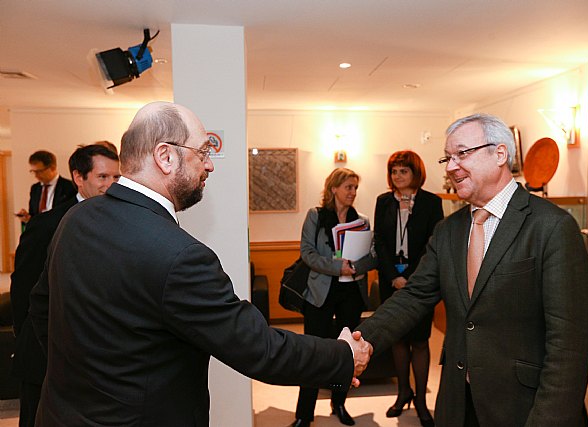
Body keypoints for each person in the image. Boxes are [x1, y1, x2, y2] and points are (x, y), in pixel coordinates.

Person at [29, 102, 372, 427]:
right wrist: (342, 356)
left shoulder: (77, 218)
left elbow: (42, 307)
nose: (210, 165)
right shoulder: (180, 255)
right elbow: (258, 348)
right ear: (165, 156)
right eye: (204, 152)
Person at [358, 113, 588, 427]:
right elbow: (413, 297)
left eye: (462, 154)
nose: (451, 166)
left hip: (524, 408)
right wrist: (360, 341)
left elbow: (569, 343)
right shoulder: (448, 231)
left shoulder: (552, 226)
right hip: (459, 403)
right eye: (448, 157)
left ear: (500, 154)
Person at [10, 144, 120, 427]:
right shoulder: (48, 225)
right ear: (79, 178)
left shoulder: (122, 221)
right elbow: (24, 288)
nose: (111, 185)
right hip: (44, 355)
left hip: (93, 360)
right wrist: (31, 340)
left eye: (116, 178)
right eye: (103, 177)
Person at [291, 167, 377, 427]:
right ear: (334, 189)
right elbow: (307, 252)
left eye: (355, 188)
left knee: (346, 351)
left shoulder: (361, 220)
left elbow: (372, 256)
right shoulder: (316, 216)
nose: (353, 192)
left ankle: (339, 403)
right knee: (313, 352)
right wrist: (337, 266)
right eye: (348, 187)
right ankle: (304, 414)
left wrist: (355, 267)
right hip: (320, 293)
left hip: (352, 291)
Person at [373, 150, 443, 427]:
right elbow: (380, 242)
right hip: (391, 280)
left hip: (421, 282)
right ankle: (403, 392)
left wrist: (412, 279)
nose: (398, 176)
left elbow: (432, 244)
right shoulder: (383, 202)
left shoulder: (430, 202)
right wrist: (393, 276)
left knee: (419, 340)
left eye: (403, 170)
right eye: (394, 171)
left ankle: (422, 402)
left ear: (416, 173)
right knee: (397, 339)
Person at [16, 150, 76, 223]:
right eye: (33, 171)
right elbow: (34, 214)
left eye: (39, 171)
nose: (36, 176)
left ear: (52, 168)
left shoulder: (70, 187)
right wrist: (27, 218)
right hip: (39, 232)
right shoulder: (35, 188)